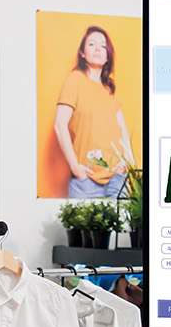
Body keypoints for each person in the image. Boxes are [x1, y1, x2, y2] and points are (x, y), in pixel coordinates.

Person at [53, 26, 135, 199]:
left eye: (103, 46)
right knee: (82, 226)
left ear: (108, 55)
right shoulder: (75, 80)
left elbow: (123, 130)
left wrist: (125, 162)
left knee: (123, 226)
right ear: (82, 53)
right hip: (85, 182)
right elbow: (60, 125)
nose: (98, 48)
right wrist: (76, 168)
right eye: (91, 44)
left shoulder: (109, 89)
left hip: (116, 179)